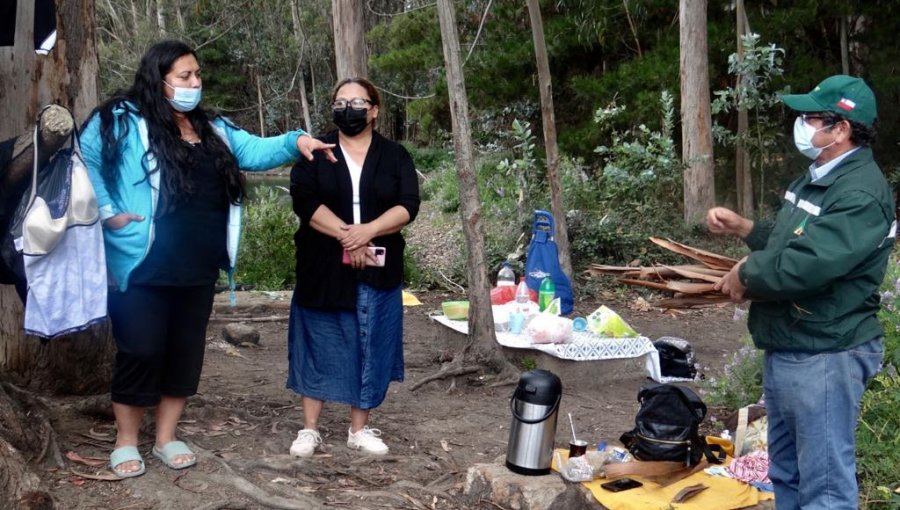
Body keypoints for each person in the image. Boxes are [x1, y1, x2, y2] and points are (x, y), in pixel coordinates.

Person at [80, 40, 335, 478]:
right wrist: (107, 213)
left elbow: (255, 151)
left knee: (184, 352)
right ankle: (125, 441)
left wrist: (299, 141)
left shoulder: (212, 127)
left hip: (199, 265)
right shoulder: (120, 119)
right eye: (184, 76)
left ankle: (165, 437)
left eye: (197, 75)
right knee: (140, 349)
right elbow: (86, 159)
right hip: (141, 262)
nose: (194, 83)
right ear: (158, 79)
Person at [707, 75, 893, 509]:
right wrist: (747, 229)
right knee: (786, 472)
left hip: (827, 351)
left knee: (824, 486)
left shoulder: (861, 193)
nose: (801, 126)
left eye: (809, 118)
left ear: (841, 128)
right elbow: (793, 242)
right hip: (793, 342)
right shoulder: (815, 178)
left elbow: (808, 264)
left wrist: (747, 273)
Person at [287, 77, 420, 457]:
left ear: (374, 110)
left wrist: (368, 233)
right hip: (322, 265)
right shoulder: (315, 152)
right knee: (319, 339)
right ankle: (309, 429)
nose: (349, 108)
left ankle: (358, 429)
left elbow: (408, 204)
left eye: (358, 102)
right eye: (341, 101)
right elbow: (305, 201)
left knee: (371, 341)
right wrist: (349, 237)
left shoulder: (395, 155)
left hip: (379, 265)